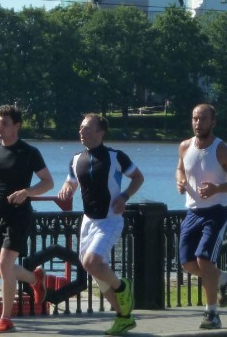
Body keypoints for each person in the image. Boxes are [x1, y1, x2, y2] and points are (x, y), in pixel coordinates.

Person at [57, 114, 144, 336]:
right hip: (88, 221)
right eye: (80, 128)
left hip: (110, 219)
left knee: (91, 261)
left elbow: (138, 178)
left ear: (100, 132)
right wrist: (67, 188)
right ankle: (123, 317)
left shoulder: (116, 157)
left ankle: (123, 287)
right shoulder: (76, 159)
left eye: (87, 128)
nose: (81, 132)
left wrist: (124, 196)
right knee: (93, 269)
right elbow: (71, 181)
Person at [0, 105, 54, 334]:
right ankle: (35, 278)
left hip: (19, 216)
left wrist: (27, 192)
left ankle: (6, 318)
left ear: (17, 126)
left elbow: (48, 182)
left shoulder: (29, 152)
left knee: (5, 265)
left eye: (4, 123)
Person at [176, 103, 227, 330]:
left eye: (203, 119)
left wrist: (218, 188)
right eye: (195, 119)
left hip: (217, 210)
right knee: (188, 263)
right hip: (193, 210)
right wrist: (180, 180)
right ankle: (225, 280)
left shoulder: (222, 150)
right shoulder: (185, 146)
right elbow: (180, 168)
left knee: (204, 260)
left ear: (213, 122)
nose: (198, 123)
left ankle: (212, 313)